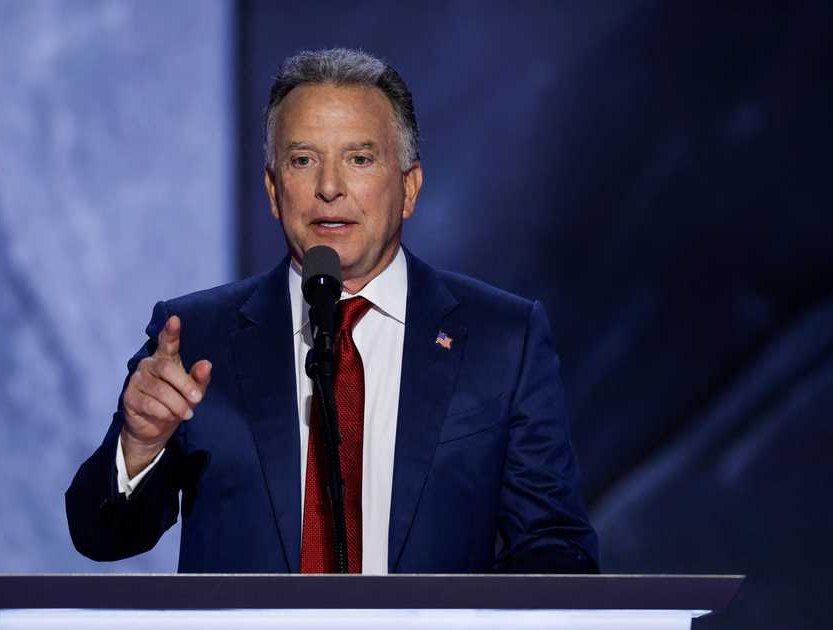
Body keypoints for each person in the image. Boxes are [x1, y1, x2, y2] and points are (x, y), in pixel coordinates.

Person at [66, 48, 598, 574]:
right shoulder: (194, 338)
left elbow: (555, 549)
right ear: (273, 191)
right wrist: (140, 446)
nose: (329, 188)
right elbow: (100, 537)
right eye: (303, 160)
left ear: (409, 187)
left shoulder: (502, 338)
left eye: (359, 159)